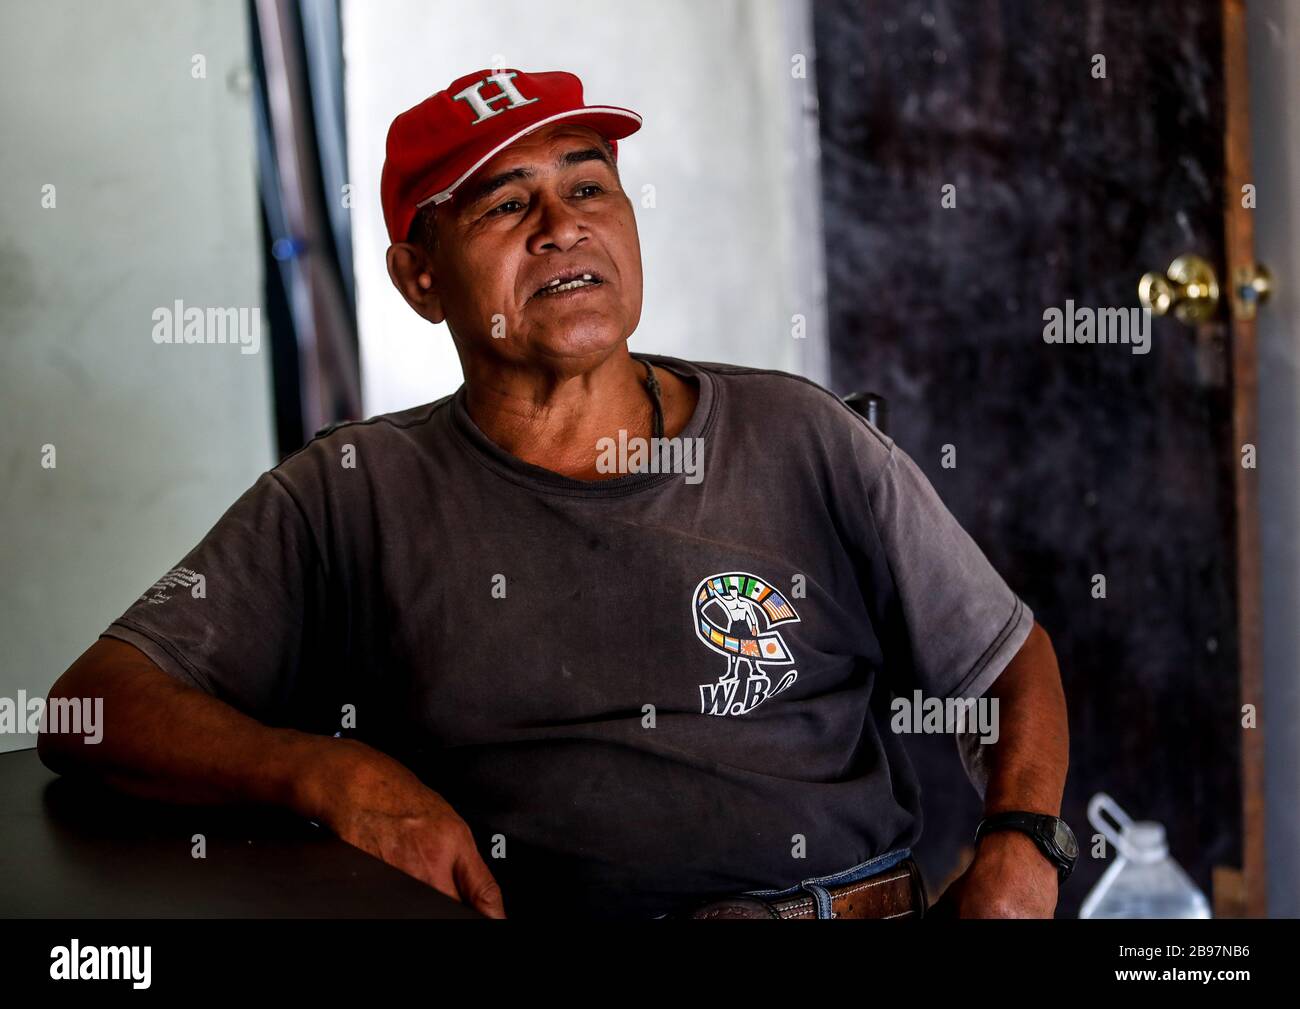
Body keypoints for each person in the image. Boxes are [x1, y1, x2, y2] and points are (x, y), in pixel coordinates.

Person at [39, 68, 1071, 920]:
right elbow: (93, 706)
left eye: (587, 188)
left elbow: (1008, 658)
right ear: (420, 277)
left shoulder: (800, 438)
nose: (560, 227)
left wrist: (1022, 848)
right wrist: (329, 775)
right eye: (501, 203)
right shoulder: (350, 492)